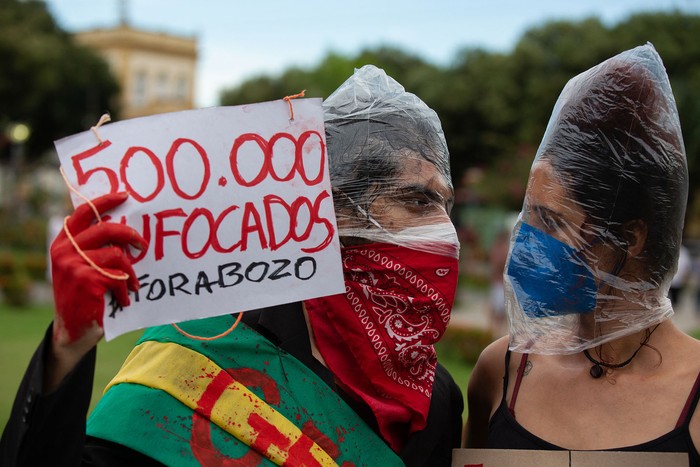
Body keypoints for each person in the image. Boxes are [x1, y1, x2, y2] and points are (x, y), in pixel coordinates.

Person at [1, 65, 464, 466]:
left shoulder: (439, 399)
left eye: (445, 205)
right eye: (417, 200)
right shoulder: (202, 345)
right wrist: (67, 349)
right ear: (333, 210)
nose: (446, 232)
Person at [464, 43, 700, 465]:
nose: (526, 242)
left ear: (631, 239)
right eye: (527, 216)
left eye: (551, 221)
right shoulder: (501, 371)